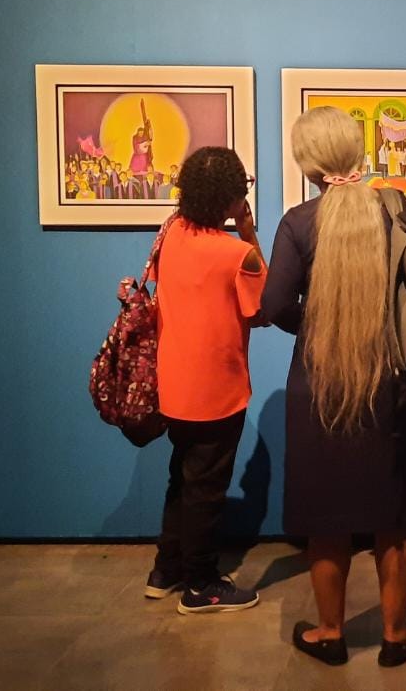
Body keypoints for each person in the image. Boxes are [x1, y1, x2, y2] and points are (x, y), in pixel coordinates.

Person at [263, 106, 406, 667]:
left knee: (326, 515)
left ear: (308, 162)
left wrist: (317, 325)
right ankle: (395, 635)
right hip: (394, 381)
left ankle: (330, 632)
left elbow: (273, 307)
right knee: (396, 513)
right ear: (357, 152)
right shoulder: (394, 208)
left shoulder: (297, 222)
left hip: (321, 383)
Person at [147, 146, 266, 616]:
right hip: (217, 391)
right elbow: (261, 311)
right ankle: (200, 584)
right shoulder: (238, 254)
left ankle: (165, 568)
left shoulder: (170, 233)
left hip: (172, 383)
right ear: (233, 198)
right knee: (206, 488)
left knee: (182, 476)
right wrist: (249, 232)